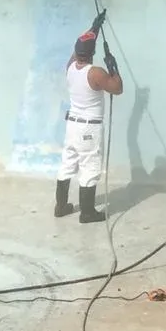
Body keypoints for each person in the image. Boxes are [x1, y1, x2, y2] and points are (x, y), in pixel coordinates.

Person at [55, 27, 123, 224]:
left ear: (76, 52)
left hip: (72, 125)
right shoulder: (95, 73)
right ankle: (87, 213)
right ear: (92, 54)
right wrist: (114, 67)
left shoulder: (70, 67)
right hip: (89, 129)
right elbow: (117, 89)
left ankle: (61, 207)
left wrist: (94, 28)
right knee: (90, 167)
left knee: (67, 164)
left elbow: (80, 49)